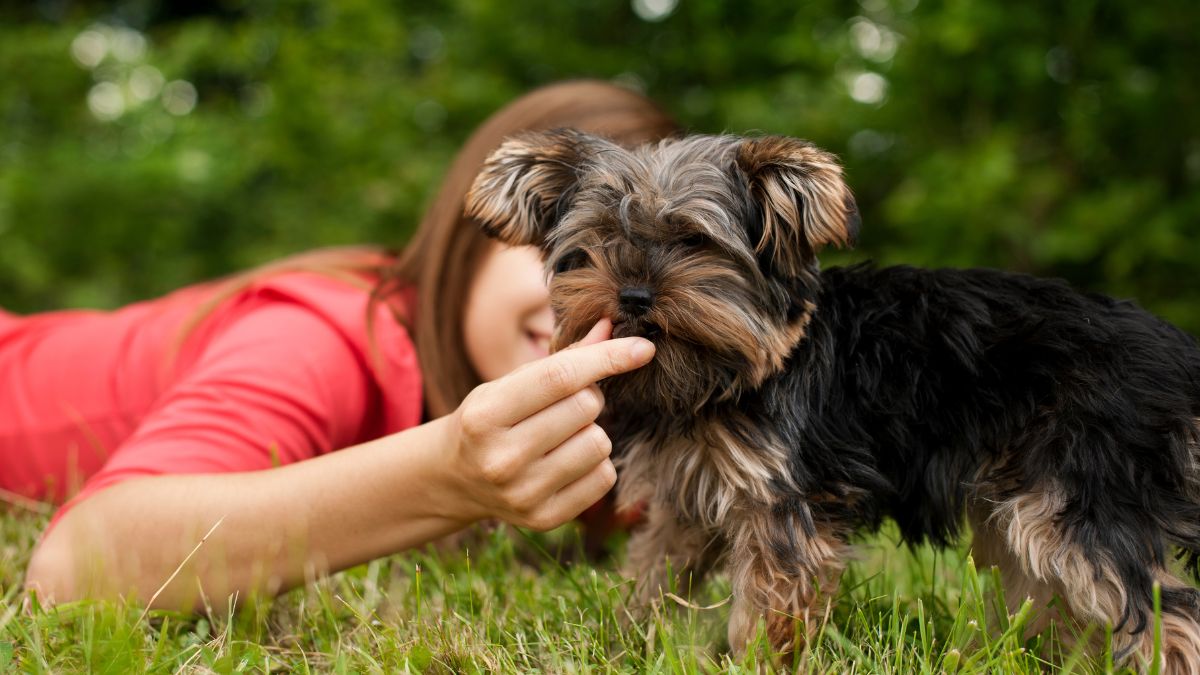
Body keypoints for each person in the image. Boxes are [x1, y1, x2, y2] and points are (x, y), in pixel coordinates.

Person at [1, 80, 678, 609]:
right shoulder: (329, 334)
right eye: (572, 250)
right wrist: (445, 474)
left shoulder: (628, 419)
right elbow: (73, 567)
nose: (615, 302)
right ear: (473, 233)